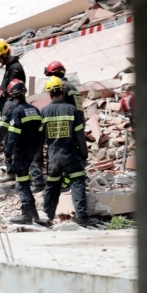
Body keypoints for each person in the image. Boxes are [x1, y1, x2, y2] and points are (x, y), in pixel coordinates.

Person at [40, 77, 98, 226]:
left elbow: (40, 139)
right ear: (62, 90)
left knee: (52, 186)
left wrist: (39, 159)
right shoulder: (71, 110)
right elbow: (79, 135)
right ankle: (82, 218)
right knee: (77, 182)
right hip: (70, 154)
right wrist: (84, 154)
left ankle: (46, 218)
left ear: (49, 93)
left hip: (53, 157)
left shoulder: (44, 112)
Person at [3, 79, 46, 225]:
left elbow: (13, 135)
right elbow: (41, 133)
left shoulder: (17, 111)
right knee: (26, 181)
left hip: (21, 152)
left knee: (21, 182)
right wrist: (35, 149)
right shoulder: (34, 110)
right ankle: (34, 215)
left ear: (12, 95)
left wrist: (8, 152)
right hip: (32, 151)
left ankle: (26, 215)